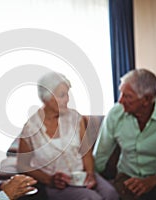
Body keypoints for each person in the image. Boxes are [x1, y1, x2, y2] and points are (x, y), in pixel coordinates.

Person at [17, 71, 119, 200]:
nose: (67, 99)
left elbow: (86, 152)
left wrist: (90, 174)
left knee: (111, 194)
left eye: (67, 94)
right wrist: (49, 180)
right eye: (62, 95)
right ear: (46, 98)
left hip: (82, 176)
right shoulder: (30, 128)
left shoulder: (75, 118)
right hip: (58, 185)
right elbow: (22, 165)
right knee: (92, 198)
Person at [94, 68, 156, 200]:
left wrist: (152, 181)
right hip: (126, 177)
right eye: (121, 93)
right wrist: (88, 177)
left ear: (146, 99)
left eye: (127, 96)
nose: (120, 101)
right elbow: (100, 155)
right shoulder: (115, 114)